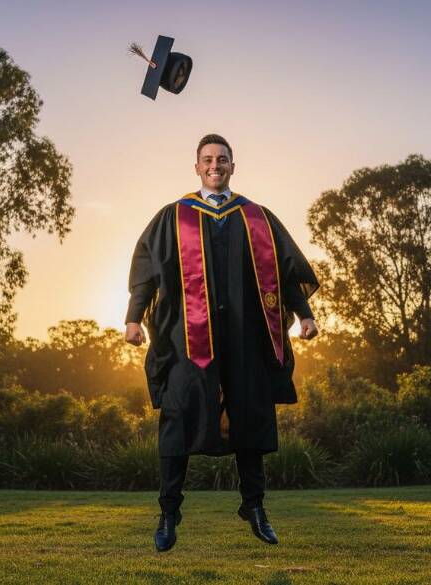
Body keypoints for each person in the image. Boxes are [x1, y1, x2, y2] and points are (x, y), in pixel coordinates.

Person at [124, 134, 319, 552]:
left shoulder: (257, 217)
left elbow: (285, 271)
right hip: (187, 344)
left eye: (223, 159)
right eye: (208, 160)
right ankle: (169, 512)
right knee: (178, 421)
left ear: (233, 166)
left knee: (248, 419)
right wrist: (133, 318)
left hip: (245, 339)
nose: (216, 165)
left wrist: (305, 313)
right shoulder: (173, 217)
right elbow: (147, 273)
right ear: (196, 167)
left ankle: (254, 507)